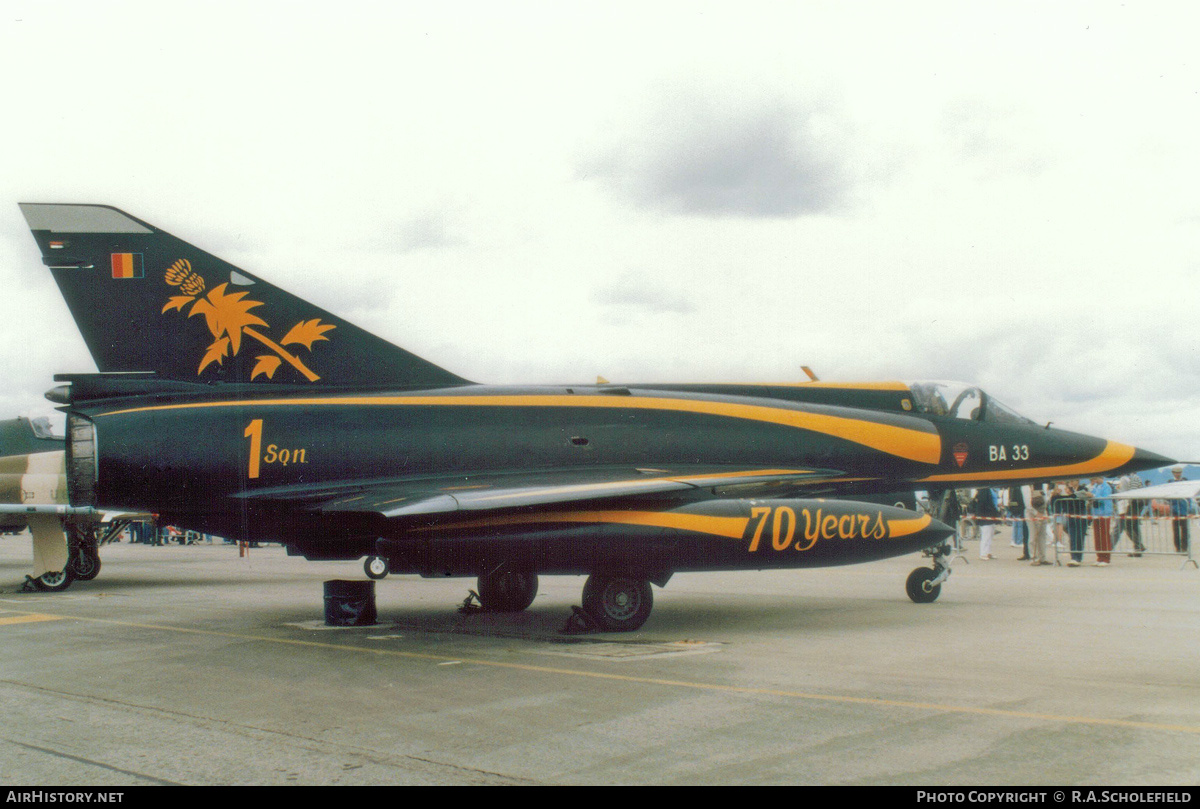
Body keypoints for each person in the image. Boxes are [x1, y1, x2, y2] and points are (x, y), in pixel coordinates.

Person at [1089, 476, 1114, 566]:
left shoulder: (1106, 487)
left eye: (1096, 478)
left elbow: (1105, 499)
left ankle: (1106, 558)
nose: (1094, 480)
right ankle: (1099, 556)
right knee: (1097, 535)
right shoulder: (1095, 486)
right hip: (1095, 513)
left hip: (1104, 513)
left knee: (1104, 535)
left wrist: (1094, 496)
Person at [1168, 465, 1192, 553]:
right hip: (1174, 509)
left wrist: (1189, 505)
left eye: (1179, 472)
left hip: (1184, 509)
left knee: (1185, 530)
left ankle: (1185, 547)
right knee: (1176, 530)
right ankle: (1178, 547)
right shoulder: (1170, 482)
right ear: (1173, 473)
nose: (1177, 474)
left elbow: (1189, 494)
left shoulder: (1185, 481)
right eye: (1176, 472)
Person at [973, 487, 1001, 560]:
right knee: (986, 535)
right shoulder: (984, 490)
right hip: (986, 516)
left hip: (991, 516)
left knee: (990, 535)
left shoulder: (991, 489)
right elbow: (982, 503)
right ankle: (982, 553)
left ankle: (988, 552)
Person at [1026, 492, 1051, 565]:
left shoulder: (1045, 485)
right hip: (1031, 513)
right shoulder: (1027, 487)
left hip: (1043, 511)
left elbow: (1047, 498)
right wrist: (1036, 513)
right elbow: (1027, 503)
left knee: (1042, 536)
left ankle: (1042, 558)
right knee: (1033, 536)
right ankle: (1034, 558)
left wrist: (1044, 513)